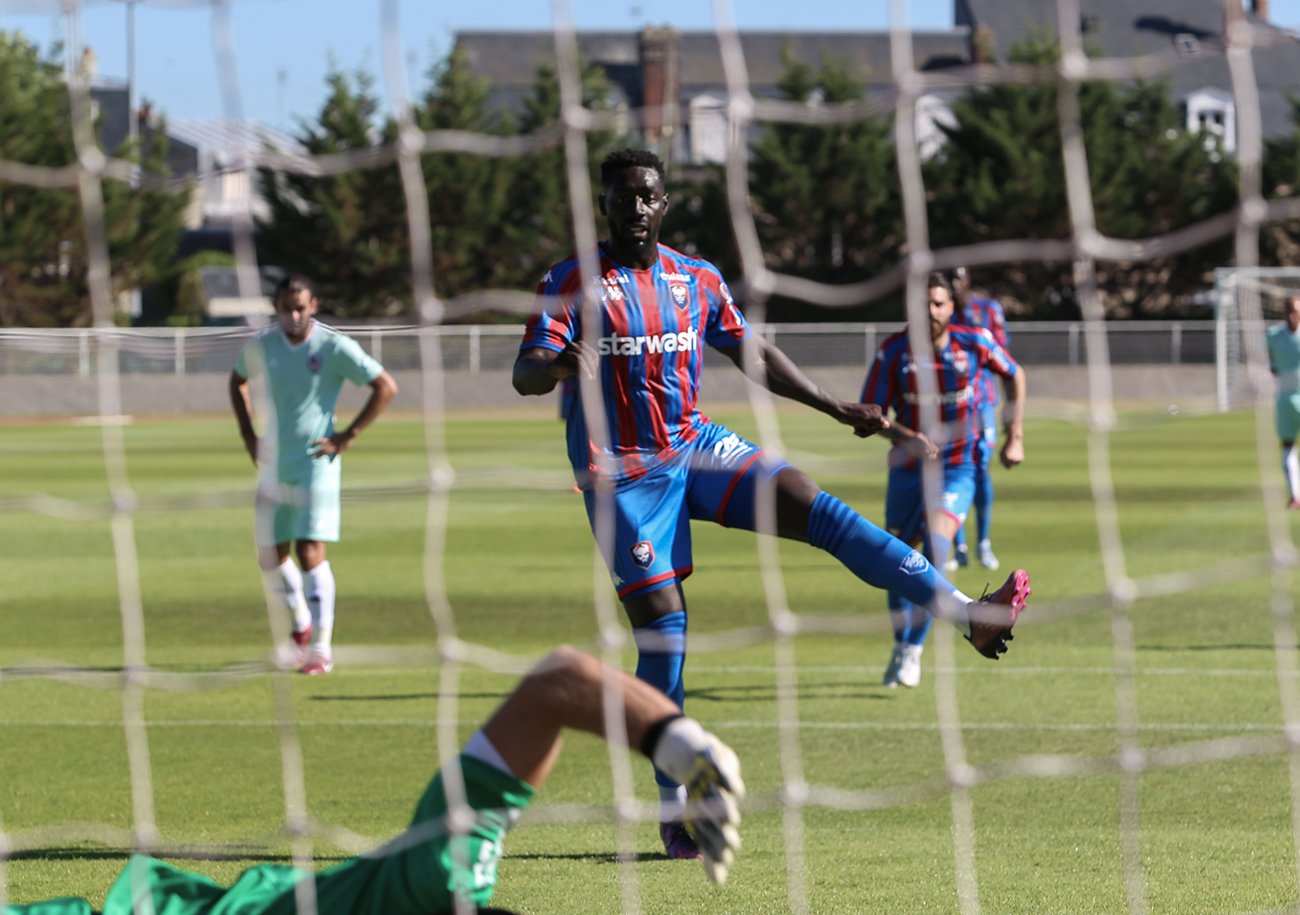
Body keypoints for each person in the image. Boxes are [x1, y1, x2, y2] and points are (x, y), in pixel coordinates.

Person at [513, 148, 1029, 857]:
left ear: (665, 204)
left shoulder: (696, 280)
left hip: (695, 447)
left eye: (648, 195)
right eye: (623, 195)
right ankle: (674, 810)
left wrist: (832, 405)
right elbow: (524, 370)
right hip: (621, 477)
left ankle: (967, 613)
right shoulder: (570, 281)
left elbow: (751, 351)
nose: (636, 206)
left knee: (814, 503)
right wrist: (556, 364)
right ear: (604, 203)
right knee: (666, 634)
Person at [4, 646, 746, 915]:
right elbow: (560, 680)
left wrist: (686, 750)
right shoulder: (427, 887)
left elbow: (557, 683)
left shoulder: (432, 882)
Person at [861, 271, 1029, 689]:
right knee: (894, 560)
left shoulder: (973, 342)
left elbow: (1015, 374)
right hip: (907, 468)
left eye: (938, 303)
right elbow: (870, 414)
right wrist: (904, 436)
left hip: (957, 465)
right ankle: (903, 643)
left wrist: (1015, 435)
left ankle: (914, 649)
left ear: (952, 307)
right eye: (923, 303)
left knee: (936, 548)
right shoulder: (894, 352)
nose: (931, 311)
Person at [230, 275, 398, 675]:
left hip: (315, 463)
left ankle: (322, 647)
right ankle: (301, 625)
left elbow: (385, 386)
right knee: (270, 555)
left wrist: (348, 435)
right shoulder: (263, 345)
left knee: (309, 552)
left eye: (301, 307)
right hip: (274, 463)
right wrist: (250, 437)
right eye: (287, 307)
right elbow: (236, 382)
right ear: (277, 308)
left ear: (314, 306)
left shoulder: (333, 345)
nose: (294, 315)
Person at [948, 267, 1011, 571]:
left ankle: (983, 543)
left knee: (981, 467)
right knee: (950, 466)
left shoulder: (988, 310)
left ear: (967, 281)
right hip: (949, 404)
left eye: (958, 278)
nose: (953, 284)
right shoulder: (938, 311)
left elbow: (1001, 355)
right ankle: (958, 547)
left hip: (983, 402)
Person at [1266, 295, 1300, 509]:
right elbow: (1271, 364)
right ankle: (1295, 495)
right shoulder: (1273, 335)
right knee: (1287, 445)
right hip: (1286, 399)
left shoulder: (1273, 335)